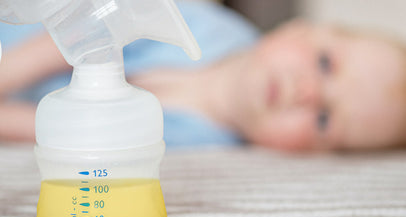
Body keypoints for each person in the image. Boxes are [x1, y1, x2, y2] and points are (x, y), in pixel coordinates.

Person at [0, 0, 405, 151]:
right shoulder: (208, 25)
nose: (308, 92)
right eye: (324, 64)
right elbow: (86, 30)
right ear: (296, 29)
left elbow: (70, 134)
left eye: (323, 119)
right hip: (18, 37)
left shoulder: (208, 144)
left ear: (308, 153)